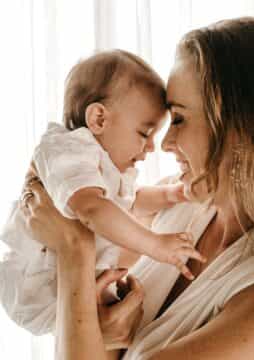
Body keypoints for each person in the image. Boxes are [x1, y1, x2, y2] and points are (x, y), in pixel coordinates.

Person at [13, 16, 254, 359]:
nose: (164, 144)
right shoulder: (174, 211)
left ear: (244, 129)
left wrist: (74, 246)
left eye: (178, 118)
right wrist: (101, 334)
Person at [0, 50, 205, 336]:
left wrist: (172, 194)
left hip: (71, 277)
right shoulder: (68, 150)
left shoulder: (101, 165)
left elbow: (128, 202)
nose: (151, 148)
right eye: (145, 134)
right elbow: (93, 209)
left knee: (121, 322)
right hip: (38, 282)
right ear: (98, 119)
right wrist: (155, 245)